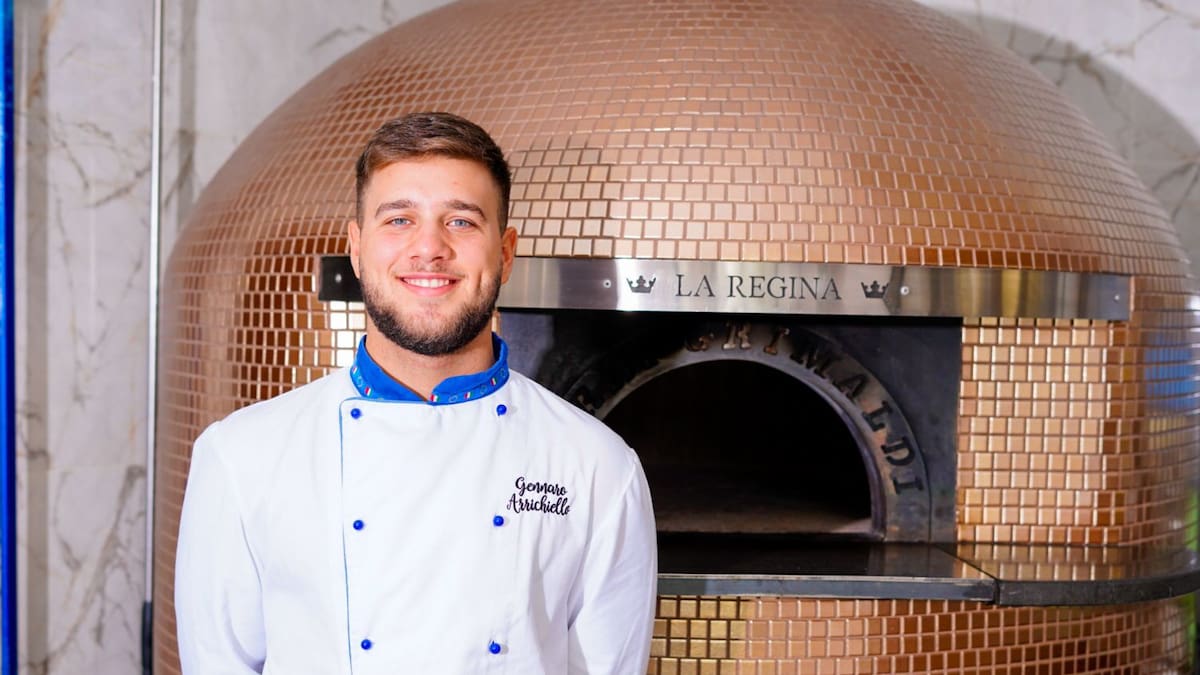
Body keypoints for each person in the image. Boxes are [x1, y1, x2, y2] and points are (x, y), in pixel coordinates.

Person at [174, 112, 658, 674]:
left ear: (505, 253)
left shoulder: (598, 467)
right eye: (399, 219)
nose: (429, 249)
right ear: (356, 248)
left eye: (461, 222)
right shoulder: (240, 457)